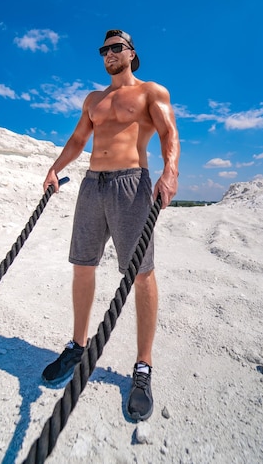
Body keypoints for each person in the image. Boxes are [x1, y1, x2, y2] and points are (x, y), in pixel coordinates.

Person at [42, 28, 180, 421]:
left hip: (131, 185)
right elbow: (76, 140)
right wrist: (55, 169)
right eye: (104, 50)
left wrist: (169, 172)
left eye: (116, 48)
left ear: (132, 52)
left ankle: (142, 366)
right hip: (91, 185)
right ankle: (78, 345)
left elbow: (170, 135)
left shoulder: (152, 92)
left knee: (141, 273)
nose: (108, 54)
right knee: (82, 266)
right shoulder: (93, 99)